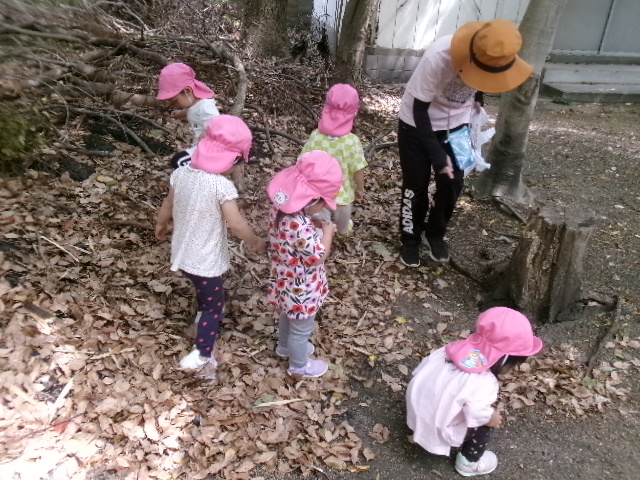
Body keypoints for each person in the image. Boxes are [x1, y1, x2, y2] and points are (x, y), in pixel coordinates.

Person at [397, 19, 533, 266]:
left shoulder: (493, 59)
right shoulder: (438, 57)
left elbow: (485, 77)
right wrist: (437, 154)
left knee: (454, 181)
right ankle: (410, 239)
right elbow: (419, 111)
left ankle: (434, 234)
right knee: (415, 185)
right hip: (416, 124)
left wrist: (478, 97)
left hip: (458, 124)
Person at [155, 115, 266, 375]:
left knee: (204, 290)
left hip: (182, 254)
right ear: (233, 160)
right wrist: (255, 241)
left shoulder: (181, 173)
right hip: (205, 260)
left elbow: (168, 204)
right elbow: (236, 224)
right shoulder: (221, 186)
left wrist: (160, 224)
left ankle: (200, 316)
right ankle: (202, 355)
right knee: (214, 307)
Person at [406, 307, 543, 476]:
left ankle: (423, 425)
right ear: (505, 359)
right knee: (483, 425)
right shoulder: (485, 382)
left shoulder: (448, 350)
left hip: (416, 409)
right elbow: (476, 412)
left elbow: (421, 370)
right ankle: (469, 462)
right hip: (437, 426)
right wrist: (490, 418)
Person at [266, 150, 343, 378]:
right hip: (302, 288)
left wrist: (314, 224)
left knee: (287, 316)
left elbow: (295, 236)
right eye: (324, 203)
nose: (325, 208)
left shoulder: (280, 210)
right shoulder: (299, 226)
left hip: (284, 278)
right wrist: (327, 233)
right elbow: (318, 256)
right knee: (301, 330)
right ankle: (299, 366)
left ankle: (284, 347)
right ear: (312, 199)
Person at [301, 83, 367, 236]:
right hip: (342, 195)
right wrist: (360, 189)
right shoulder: (352, 141)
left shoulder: (316, 136)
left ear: (326, 108)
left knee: (319, 219)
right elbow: (358, 169)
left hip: (318, 193)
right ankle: (342, 232)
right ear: (354, 112)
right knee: (344, 220)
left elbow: (302, 161)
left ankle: (320, 235)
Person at [156, 62, 220, 169]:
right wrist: (180, 114)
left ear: (187, 91)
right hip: (200, 146)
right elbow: (191, 111)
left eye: (175, 101)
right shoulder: (195, 104)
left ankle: (204, 172)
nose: (174, 105)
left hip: (211, 149)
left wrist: (204, 139)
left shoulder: (205, 106)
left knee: (179, 161)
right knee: (180, 158)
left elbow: (217, 125)